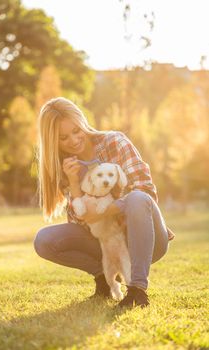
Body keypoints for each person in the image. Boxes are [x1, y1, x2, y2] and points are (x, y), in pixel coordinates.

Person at [34, 97, 174, 309]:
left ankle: (137, 290)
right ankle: (105, 282)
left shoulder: (115, 142)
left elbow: (145, 192)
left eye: (76, 130)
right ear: (54, 141)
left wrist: (106, 210)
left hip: (146, 241)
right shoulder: (66, 166)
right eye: (63, 138)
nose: (73, 140)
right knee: (44, 240)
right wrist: (73, 182)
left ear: (82, 122)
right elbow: (81, 223)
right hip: (107, 243)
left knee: (136, 198)